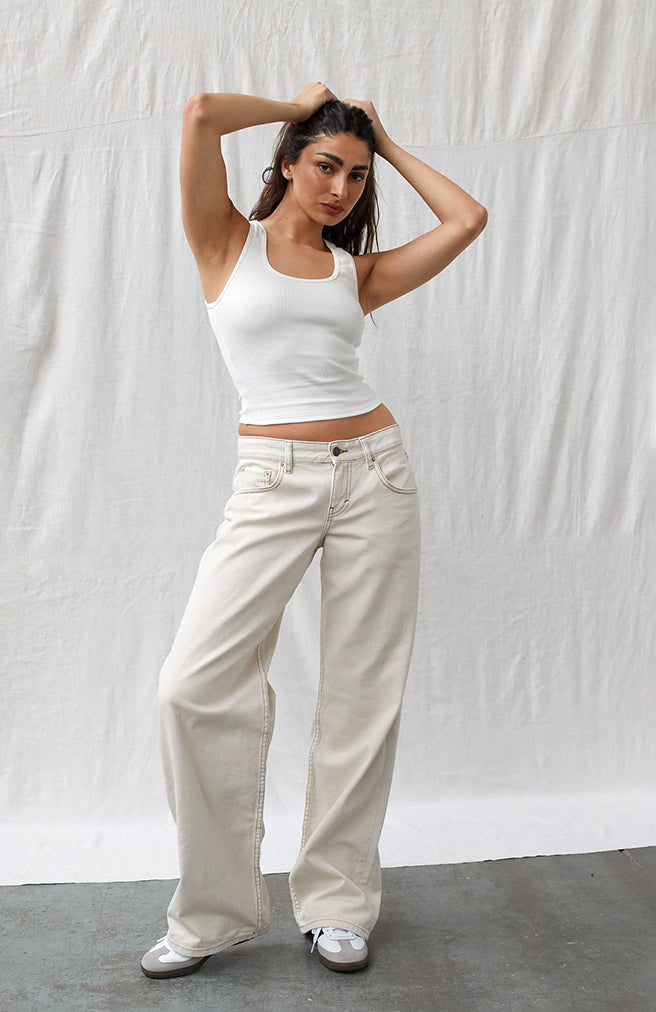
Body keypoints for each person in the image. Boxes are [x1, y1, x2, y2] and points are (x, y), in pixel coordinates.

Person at [141, 83, 487, 979]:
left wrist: (388, 142)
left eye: (356, 177)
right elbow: (200, 113)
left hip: (376, 473)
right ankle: (212, 912)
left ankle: (337, 903)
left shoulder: (353, 274)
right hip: (272, 479)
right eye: (326, 165)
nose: (340, 188)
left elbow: (467, 219)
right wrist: (296, 103)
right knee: (191, 685)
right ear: (290, 162)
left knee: (362, 695)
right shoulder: (226, 242)